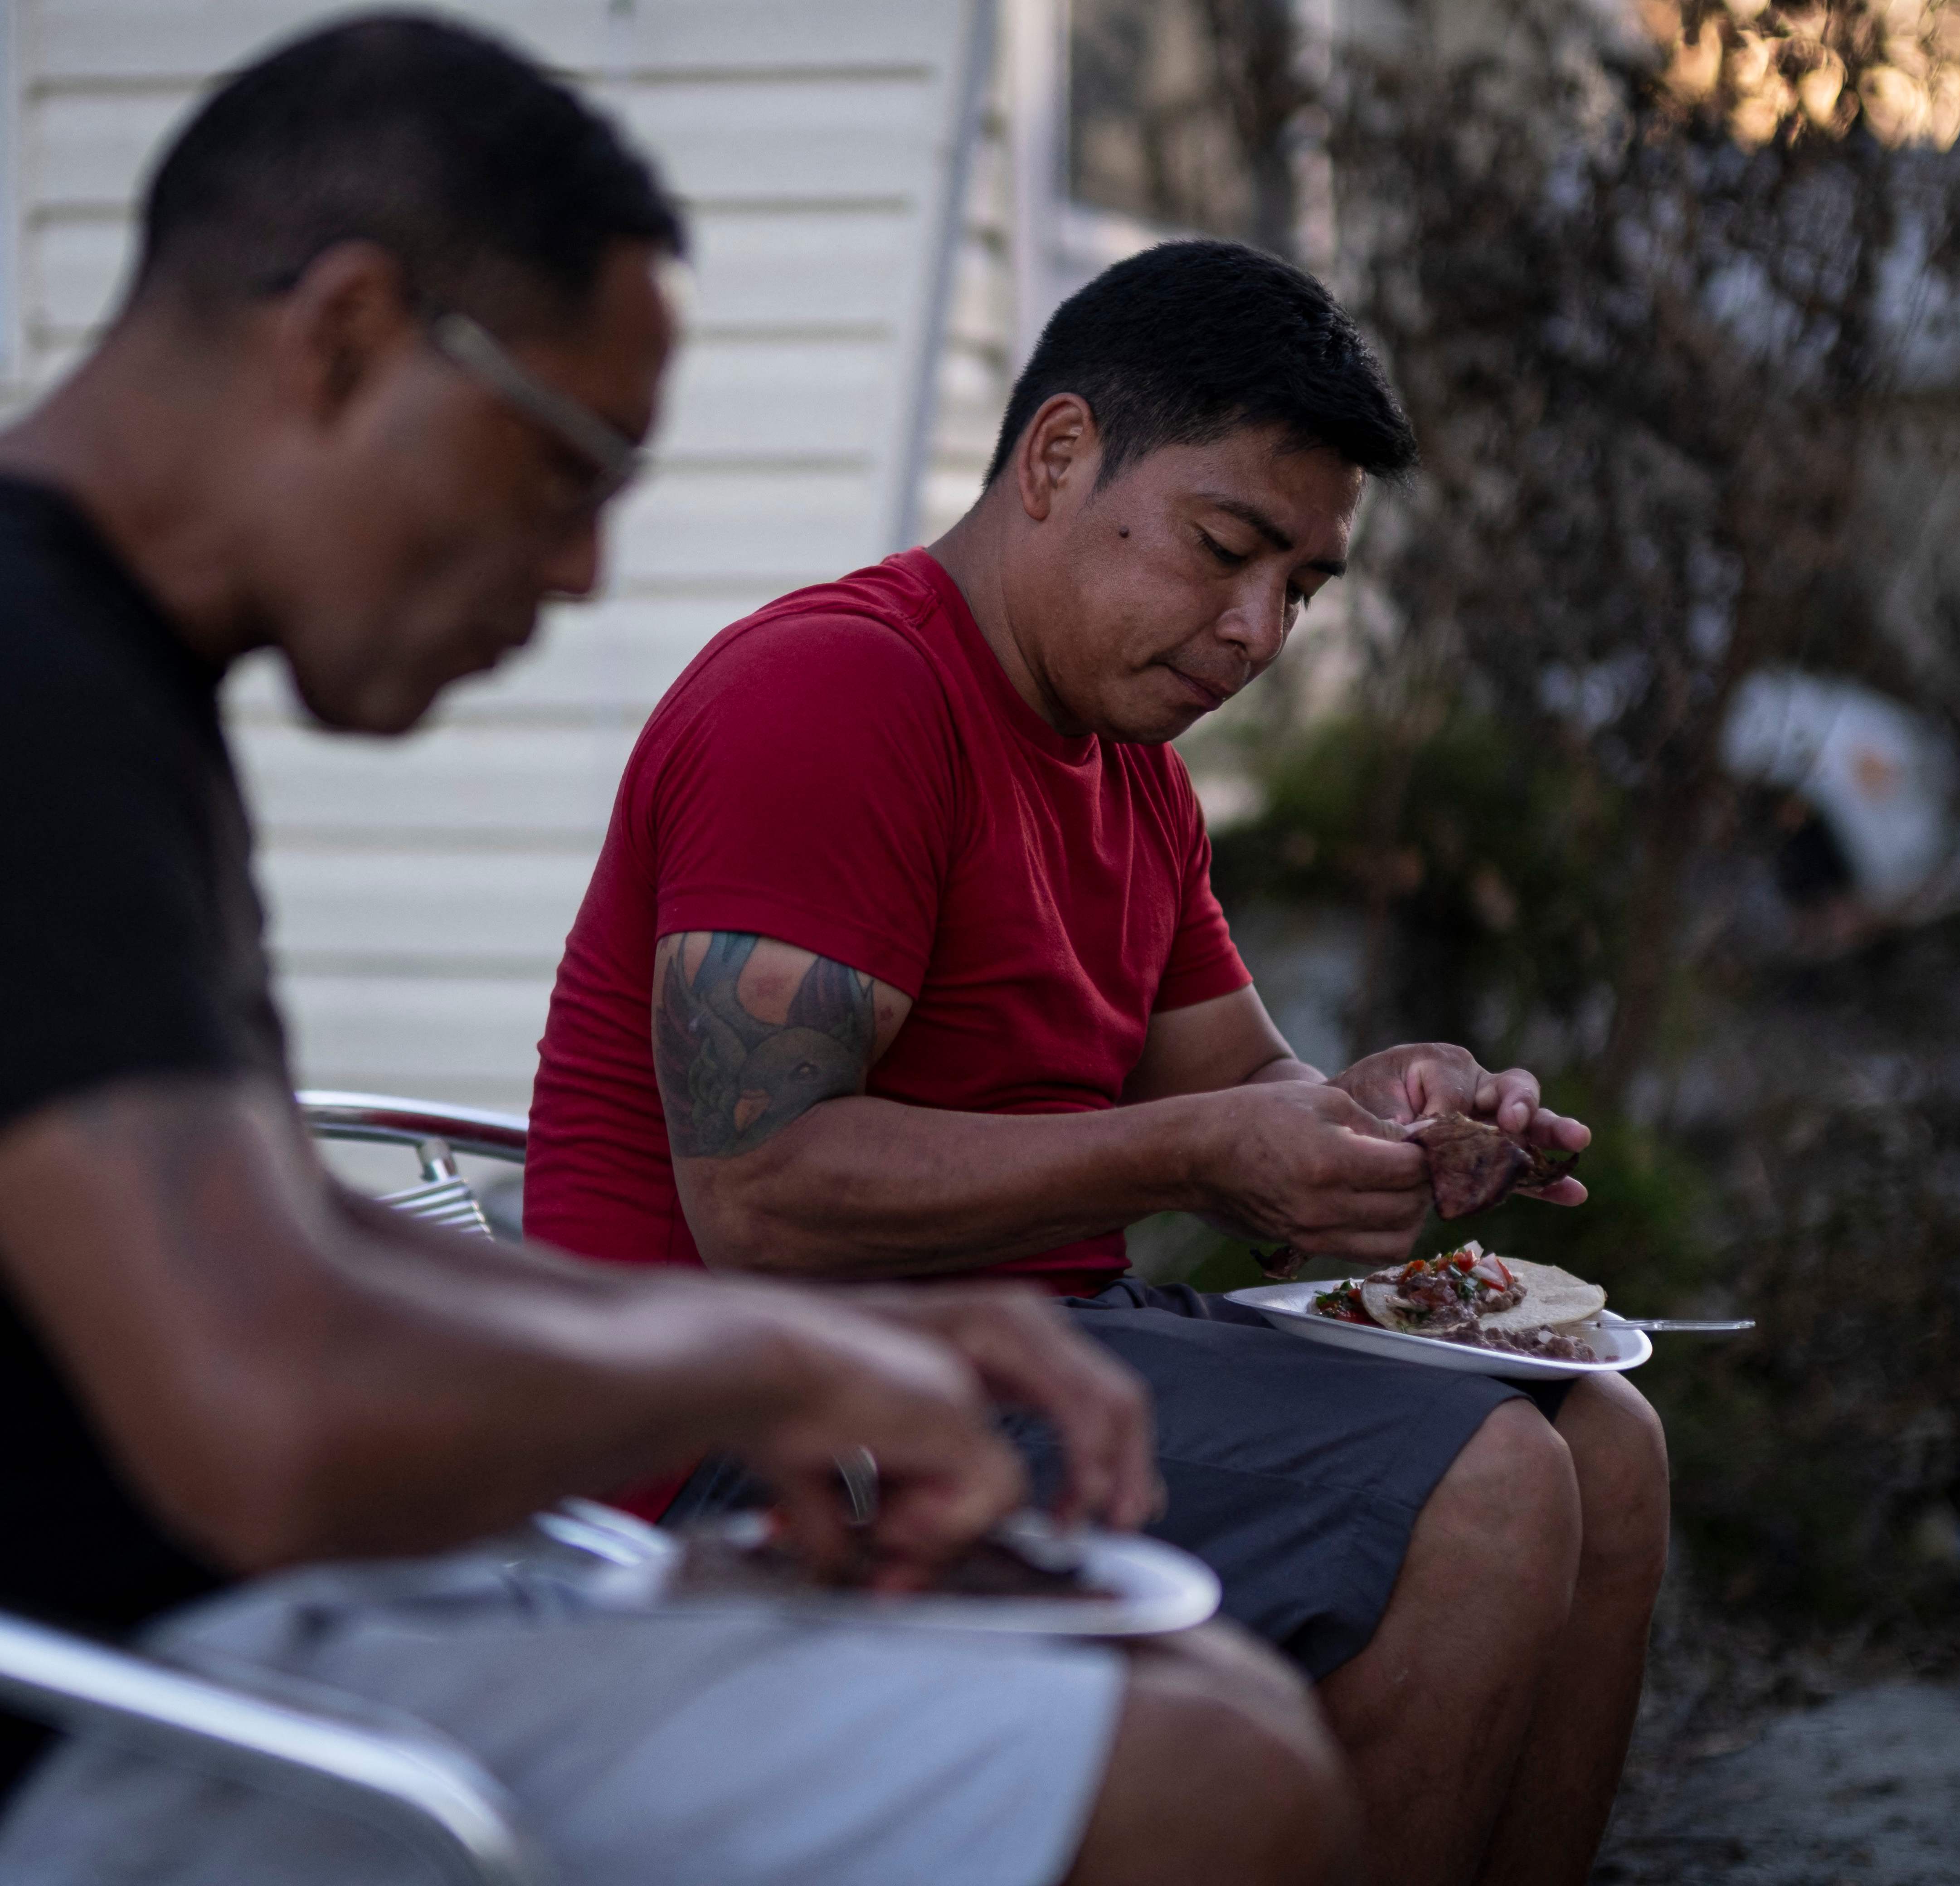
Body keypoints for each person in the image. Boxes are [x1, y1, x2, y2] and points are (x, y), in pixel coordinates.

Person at [0, 21, 1356, 1886]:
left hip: (173, 1651)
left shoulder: (57, 661)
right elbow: (269, 1411)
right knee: (1208, 1774)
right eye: (570, 462)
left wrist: (770, 1352)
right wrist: (760, 1363)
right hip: (23, 1757)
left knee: (1198, 1705)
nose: (585, 572)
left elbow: (277, 1244)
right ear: (346, 338)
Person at [524, 239, 1673, 1886]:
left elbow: (1253, 1094)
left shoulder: (1128, 771)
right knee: (1485, 1493)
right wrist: (1194, 1155)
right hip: (747, 1426)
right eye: (1228, 549)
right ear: (1060, 458)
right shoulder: (836, 694)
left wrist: (1392, 1121)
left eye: (1303, 587)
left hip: (1021, 1362)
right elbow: (762, 1199)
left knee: (1599, 1439)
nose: (1258, 626)